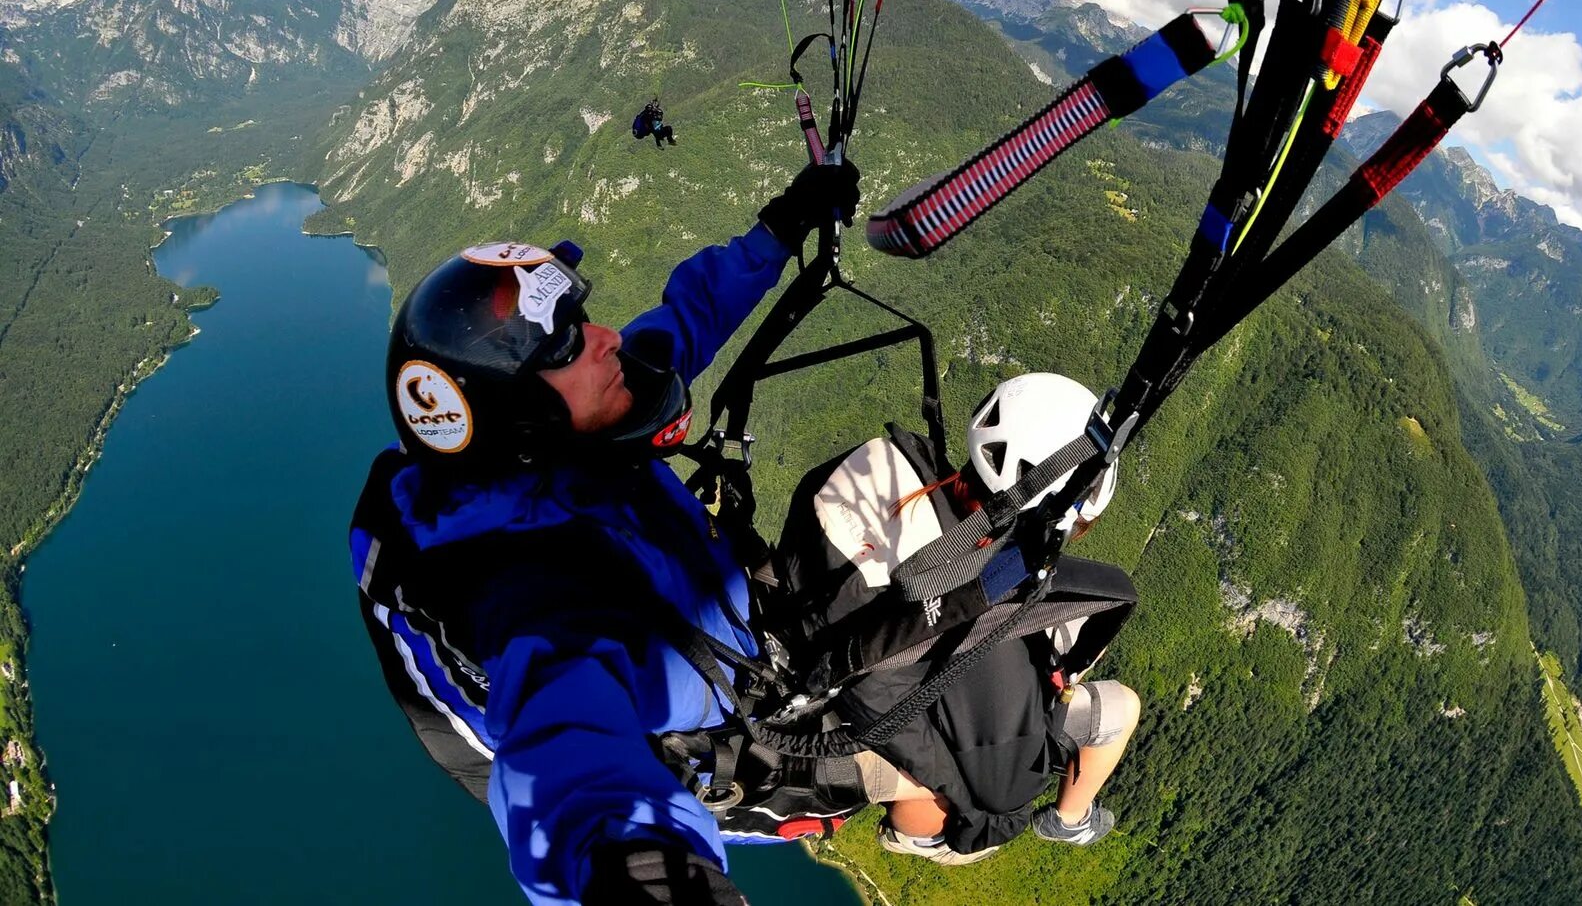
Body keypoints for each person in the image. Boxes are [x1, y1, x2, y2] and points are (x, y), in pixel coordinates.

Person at [348, 159, 867, 906]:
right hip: (717, 753)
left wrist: (781, 227)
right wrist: (645, 877)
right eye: (564, 346)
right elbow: (565, 747)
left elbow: (685, 321)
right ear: (518, 415)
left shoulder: (570, 427)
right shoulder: (518, 591)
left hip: (741, 639)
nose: (605, 338)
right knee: (925, 767)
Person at [774, 373, 1144, 865]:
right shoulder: (965, 595)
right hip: (870, 703)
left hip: (821, 620)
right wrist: (978, 816)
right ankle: (1063, 820)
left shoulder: (882, 460)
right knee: (1120, 709)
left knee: (1076, 634)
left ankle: (1064, 814)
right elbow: (992, 781)